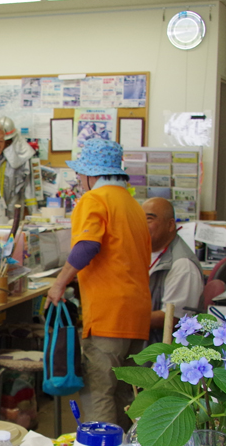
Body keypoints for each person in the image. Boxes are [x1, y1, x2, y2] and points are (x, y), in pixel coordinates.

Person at [45, 139, 150, 428]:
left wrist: (59, 283)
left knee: (99, 392)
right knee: (125, 395)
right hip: (138, 316)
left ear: (92, 174)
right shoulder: (134, 205)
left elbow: (86, 247)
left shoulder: (94, 199)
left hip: (108, 316)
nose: (78, 179)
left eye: (80, 174)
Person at [143, 197, 204, 341]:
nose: (141, 225)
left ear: (171, 225)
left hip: (159, 350)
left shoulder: (183, 265)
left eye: (149, 219)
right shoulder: (143, 251)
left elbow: (173, 318)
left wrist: (125, 320)